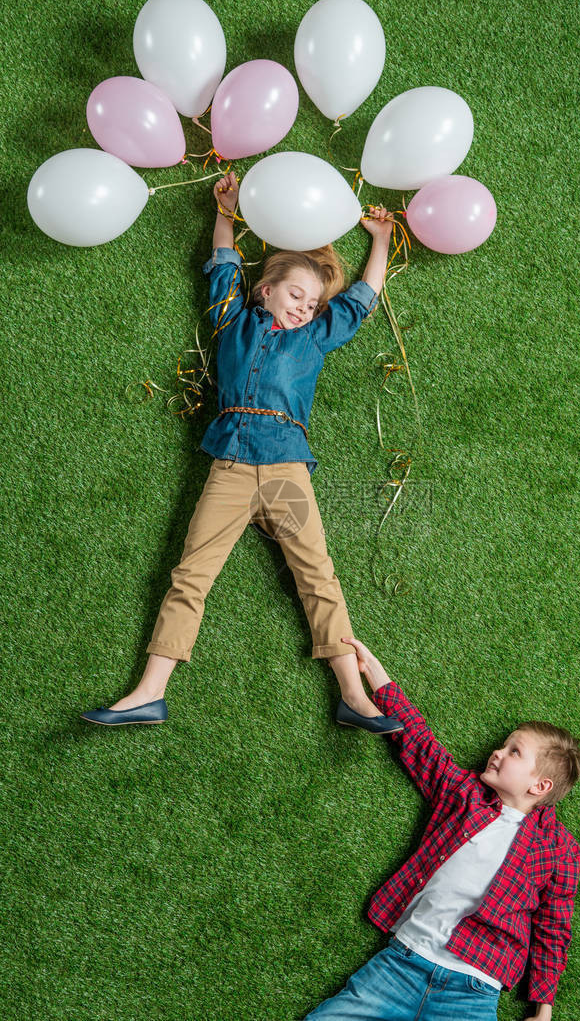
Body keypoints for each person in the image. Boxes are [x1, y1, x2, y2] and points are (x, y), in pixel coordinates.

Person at [80, 172, 403, 736]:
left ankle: (354, 695)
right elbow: (224, 262)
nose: (305, 307)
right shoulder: (232, 319)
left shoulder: (315, 336)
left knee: (318, 577)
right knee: (190, 575)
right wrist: (226, 210)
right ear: (266, 291)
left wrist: (379, 242)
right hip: (229, 466)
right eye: (295, 295)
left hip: (285, 471)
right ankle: (148, 694)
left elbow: (360, 302)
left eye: (312, 302)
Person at [304, 635, 580, 1021]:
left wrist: (543, 1009)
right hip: (402, 964)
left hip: (473, 989)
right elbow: (419, 742)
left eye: (514, 752)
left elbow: (553, 925)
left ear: (539, 786)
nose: (498, 752)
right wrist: (375, 673)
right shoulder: (464, 794)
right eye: (504, 745)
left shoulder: (559, 848)